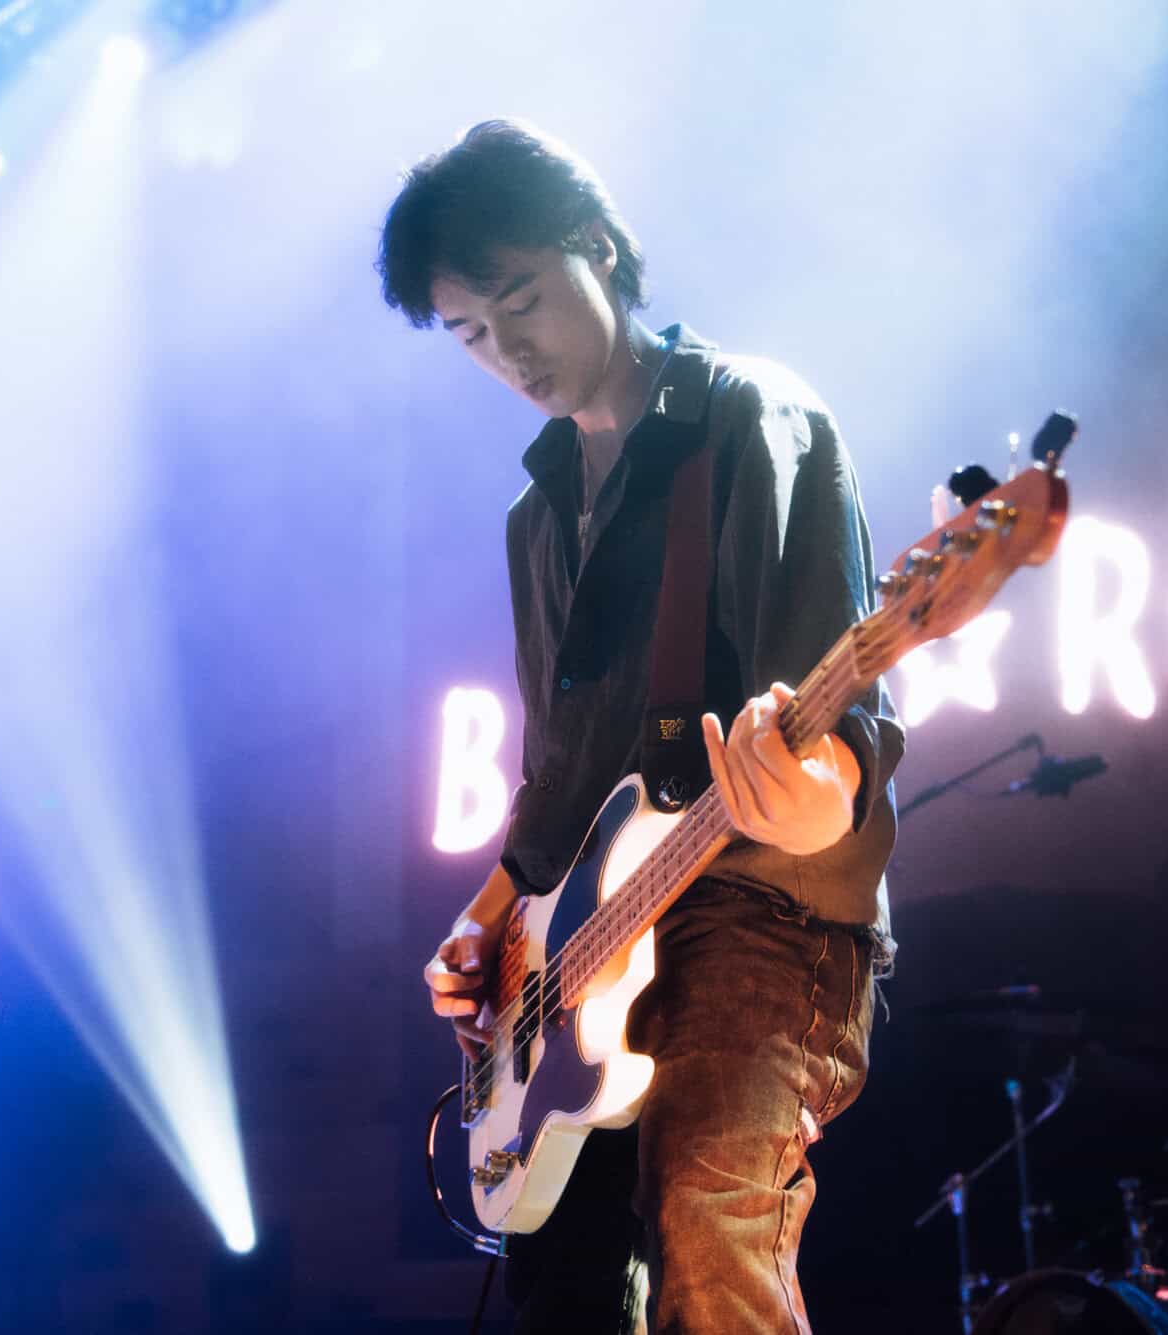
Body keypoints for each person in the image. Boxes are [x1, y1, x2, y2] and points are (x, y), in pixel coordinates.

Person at [379, 119, 902, 1333]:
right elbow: (562, 779)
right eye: (469, 332)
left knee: (703, 1236)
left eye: (521, 299)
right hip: (586, 951)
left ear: (599, 248)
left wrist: (808, 796)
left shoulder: (751, 417)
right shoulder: (535, 516)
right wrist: (485, 925)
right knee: (561, 1297)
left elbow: (839, 722)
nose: (507, 351)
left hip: (755, 910)